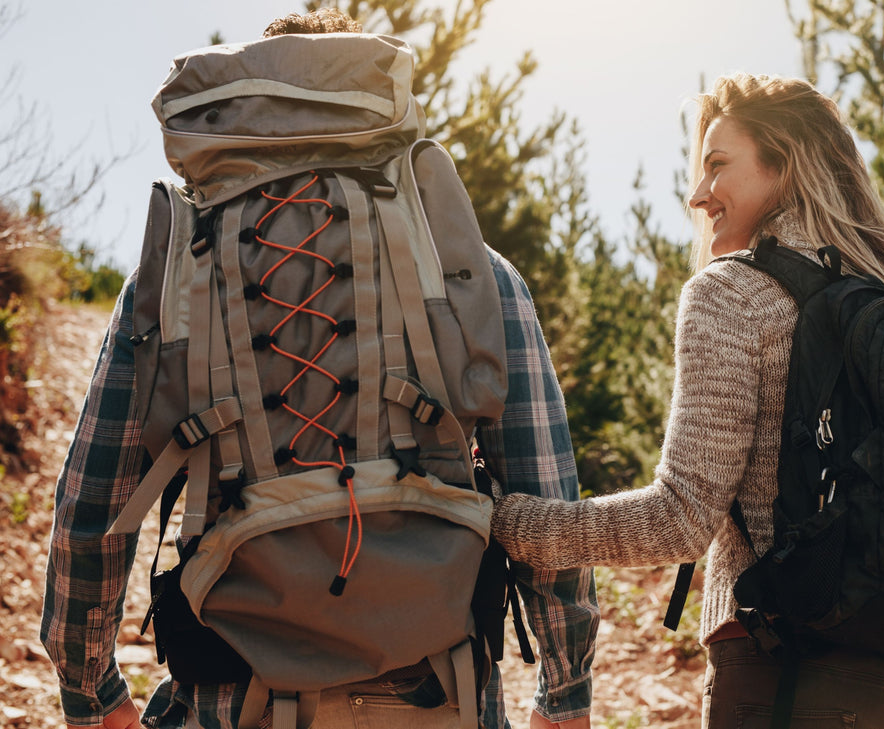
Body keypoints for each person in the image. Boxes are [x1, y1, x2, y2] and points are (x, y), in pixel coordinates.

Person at [39, 9, 597, 729]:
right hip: (439, 691)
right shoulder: (468, 272)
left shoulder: (172, 280)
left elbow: (92, 507)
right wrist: (567, 686)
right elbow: (547, 494)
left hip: (234, 694)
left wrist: (90, 690)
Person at [490, 73, 884, 729]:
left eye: (718, 166)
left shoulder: (732, 293)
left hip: (790, 671)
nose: (698, 194)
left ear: (784, 166)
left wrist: (513, 523)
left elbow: (680, 519)